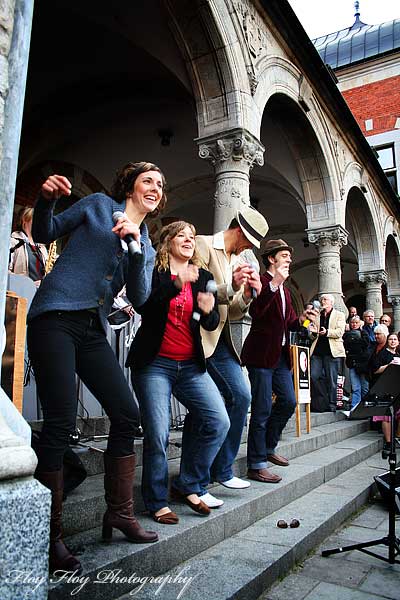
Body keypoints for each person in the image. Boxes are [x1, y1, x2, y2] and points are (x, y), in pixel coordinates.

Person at [27, 162, 166, 574]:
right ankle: (47, 535)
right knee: (60, 421)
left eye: (160, 184)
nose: (155, 187)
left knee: (127, 413)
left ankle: (119, 513)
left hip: (91, 328)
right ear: (130, 184)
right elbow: (43, 233)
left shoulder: (146, 241)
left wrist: (137, 248)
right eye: (148, 180)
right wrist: (47, 201)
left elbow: (140, 298)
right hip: (54, 314)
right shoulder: (97, 206)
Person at [127, 221, 230, 523]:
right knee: (158, 434)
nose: (188, 239)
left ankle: (189, 483)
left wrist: (208, 310)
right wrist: (175, 283)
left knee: (218, 420)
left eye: (191, 236)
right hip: (155, 364)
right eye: (181, 235)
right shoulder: (156, 272)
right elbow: (146, 306)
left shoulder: (205, 277)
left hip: (189, 366)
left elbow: (207, 324)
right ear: (168, 241)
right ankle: (157, 500)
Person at [188, 205, 268, 499]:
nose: (249, 248)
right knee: (212, 409)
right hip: (199, 339)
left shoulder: (236, 260)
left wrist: (245, 295)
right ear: (240, 231)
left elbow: (232, 312)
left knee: (242, 395)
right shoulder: (203, 244)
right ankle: (202, 476)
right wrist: (230, 285)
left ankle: (222, 469)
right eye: (249, 241)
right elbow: (198, 293)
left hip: (222, 341)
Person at [241, 239, 316, 483]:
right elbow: (256, 311)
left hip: (281, 359)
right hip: (261, 356)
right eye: (285, 255)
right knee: (261, 410)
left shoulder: (284, 289)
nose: (289, 259)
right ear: (272, 258)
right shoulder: (263, 282)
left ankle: (268, 448)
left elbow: (291, 324)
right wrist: (274, 283)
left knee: (288, 401)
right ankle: (256, 463)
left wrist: (305, 319)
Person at [310, 294, 346, 413]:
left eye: (325, 300)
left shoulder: (339, 315)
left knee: (332, 380)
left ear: (331, 302)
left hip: (332, 352)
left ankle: (332, 404)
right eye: (321, 300)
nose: (322, 301)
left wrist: (327, 332)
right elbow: (308, 329)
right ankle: (321, 401)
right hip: (317, 352)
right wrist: (313, 332)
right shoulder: (316, 315)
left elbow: (340, 332)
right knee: (313, 376)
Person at [369, 326, 400, 458]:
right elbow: (375, 370)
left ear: (398, 342)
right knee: (386, 415)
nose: (393, 341)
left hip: (397, 387)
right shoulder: (382, 354)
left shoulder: (399, 355)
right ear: (387, 341)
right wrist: (389, 366)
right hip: (385, 387)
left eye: (395, 339)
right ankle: (388, 442)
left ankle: (397, 436)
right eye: (391, 339)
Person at [9, 206, 49, 285]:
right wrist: (29, 284)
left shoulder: (42, 248)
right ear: (25, 220)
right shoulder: (13, 242)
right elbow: (4, 273)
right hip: (20, 294)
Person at [343, 315, 370, 408]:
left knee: (365, 388)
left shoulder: (364, 333)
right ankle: (355, 407)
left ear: (360, 323)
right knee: (355, 388)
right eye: (352, 322)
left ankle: (365, 407)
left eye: (356, 323)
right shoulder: (346, 334)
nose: (354, 324)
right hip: (352, 364)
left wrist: (355, 342)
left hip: (363, 364)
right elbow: (346, 345)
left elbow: (366, 344)